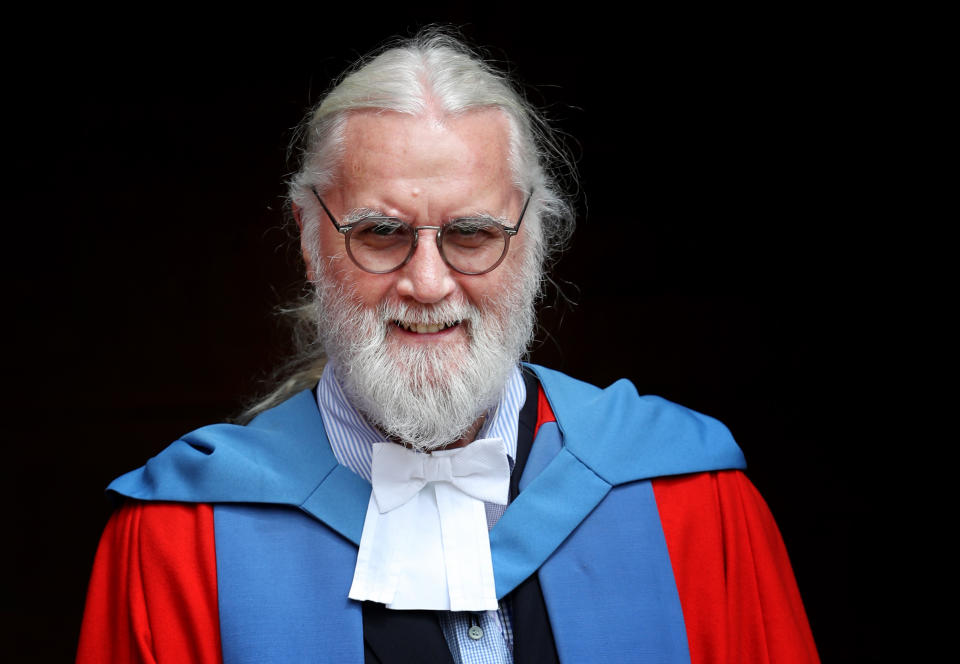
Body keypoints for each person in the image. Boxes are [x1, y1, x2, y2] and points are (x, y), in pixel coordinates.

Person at [77, 30, 818, 663]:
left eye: (471, 234)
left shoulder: (692, 503)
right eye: (380, 233)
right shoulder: (179, 541)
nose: (428, 284)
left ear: (534, 239)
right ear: (308, 238)